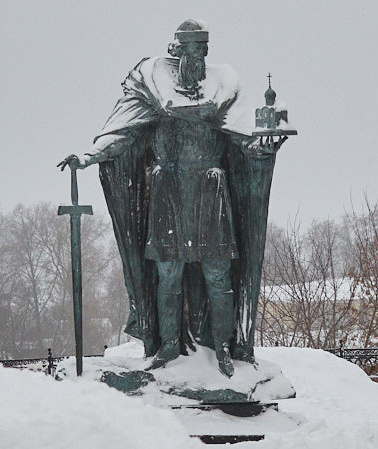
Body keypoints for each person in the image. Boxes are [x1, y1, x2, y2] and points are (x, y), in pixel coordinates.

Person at [58, 20, 283, 378]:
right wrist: (89, 156)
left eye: (202, 50)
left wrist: (265, 145)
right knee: (168, 273)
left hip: (210, 188)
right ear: (177, 50)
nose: (198, 57)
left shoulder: (223, 84)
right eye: (192, 50)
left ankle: (223, 348)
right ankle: (167, 347)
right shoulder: (153, 83)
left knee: (217, 273)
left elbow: (244, 136)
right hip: (168, 190)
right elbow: (123, 131)